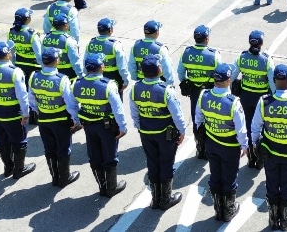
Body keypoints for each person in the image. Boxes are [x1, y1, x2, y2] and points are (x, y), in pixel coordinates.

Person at [250, 63, 287, 230]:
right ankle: (286, 219)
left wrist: (255, 144)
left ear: (274, 81)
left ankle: (273, 219)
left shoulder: (264, 102)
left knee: (272, 183)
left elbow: (255, 126)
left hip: (269, 152)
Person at [130, 54, 186, 211]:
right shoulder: (166, 90)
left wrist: (140, 127)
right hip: (165, 135)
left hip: (146, 133)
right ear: (159, 70)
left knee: (152, 162)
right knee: (166, 163)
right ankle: (165, 199)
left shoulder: (135, 89)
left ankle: (155, 199)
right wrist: (182, 131)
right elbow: (177, 115)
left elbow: (134, 113)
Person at [194, 63, 248, 222]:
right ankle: (228, 210)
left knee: (215, 176)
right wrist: (244, 145)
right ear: (228, 80)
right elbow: (241, 128)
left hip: (212, 143)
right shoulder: (233, 102)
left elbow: (198, 120)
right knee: (229, 178)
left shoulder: (204, 95)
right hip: (230, 147)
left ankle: (218, 210)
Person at [74, 53, 128, 198]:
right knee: (110, 156)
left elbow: (73, 106)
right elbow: (118, 109)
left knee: (94, 155)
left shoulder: (78, 83)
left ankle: (102, 186)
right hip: (107, 127)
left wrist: (77, 121)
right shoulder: (108, 85)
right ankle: (111, 188)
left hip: (89, 126)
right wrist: (123, 127)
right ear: (102, 66)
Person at [0, 40, 36, 179]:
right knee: (19, 141)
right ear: (7, 54)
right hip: (12, 114)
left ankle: (8, 167)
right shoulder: (15, 72)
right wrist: (25, 113)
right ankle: (19, 169)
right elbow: (22, 95)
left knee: (2, 140)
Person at [28, 48, 80, 188]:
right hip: (61, 120)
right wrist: (76, 120)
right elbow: (70, 103)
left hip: (44, 119)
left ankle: (55, 177)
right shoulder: (61, 79)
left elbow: (31, 98)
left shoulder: (34, 76)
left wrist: (39, 110)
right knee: (63, 148)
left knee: (49, 149)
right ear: (56, 61)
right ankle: (64, 178)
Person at [230, 30, 274, 169]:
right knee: (261, 129)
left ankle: (250, 158)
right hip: (261, 101)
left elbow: (231, 77)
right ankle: (260, 158)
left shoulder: (242, 58)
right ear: (262, 43)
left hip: (246, 98)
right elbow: (273, 84)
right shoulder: (267, 60)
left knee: (248, 128)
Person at [177, 25, 221, 159]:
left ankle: (199, 147)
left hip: (195, 92)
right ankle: (209, 148)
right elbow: (220, 75)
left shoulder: (187, 52)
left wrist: (187, 82)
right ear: (207, 38)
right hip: (209, 92)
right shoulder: (214, 55)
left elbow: (180, 73)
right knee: (210, 119)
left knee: (197, 120)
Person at [86, 18, 132, 97]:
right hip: (114, 77)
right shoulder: (115, 45)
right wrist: (126, 80)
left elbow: (85, 62)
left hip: (95, 76)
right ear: (110, 30)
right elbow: (122, 66)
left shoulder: (91, 43)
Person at [129, 20, 177, 87]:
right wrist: (170, 84)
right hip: (157, 84)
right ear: (157, 33)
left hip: (141, 82)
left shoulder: (135, 47)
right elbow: (167, 69)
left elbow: (131, 65)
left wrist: (135, 79)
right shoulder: (160, 49)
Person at [41, 13, 83, 80]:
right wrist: (81, 76)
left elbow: (42, 58)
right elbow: (75, 62)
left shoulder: (45, 38)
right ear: (66, 25)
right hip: (68, 75)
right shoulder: (69, 41)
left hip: (51, 75)